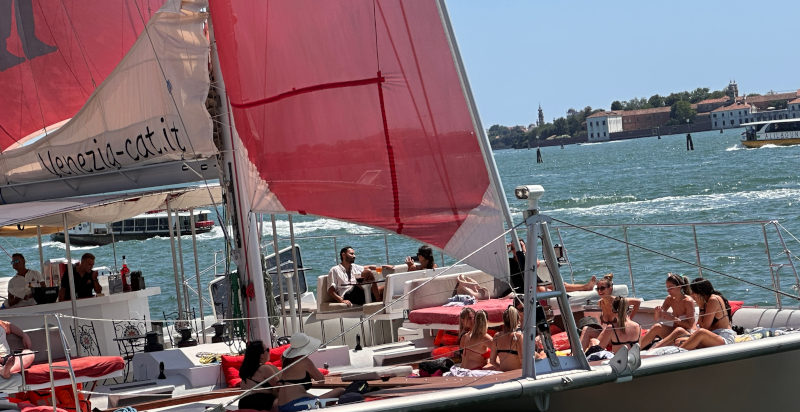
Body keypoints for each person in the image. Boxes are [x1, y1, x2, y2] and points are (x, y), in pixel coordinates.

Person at [653, 278, 734, 350]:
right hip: (711, 336)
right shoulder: (705, 301)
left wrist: (700, 306)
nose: (691, 295)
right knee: (679, 332)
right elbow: (700, 324)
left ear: (700, 292)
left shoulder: (713, 300)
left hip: (723, 337)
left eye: (693, 292)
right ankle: (652, 351)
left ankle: (677, 354)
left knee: (700, 332)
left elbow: (704, 327)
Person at [276, 333, 344, 412]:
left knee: (316, 398)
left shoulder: (286, 361)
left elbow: (296, 389)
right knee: (340, 390)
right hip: (297, 406)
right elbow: (321, 380)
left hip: (282, 406)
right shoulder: (304, 361)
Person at [507, 240, 597, 294]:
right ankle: (559, 296)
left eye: (520, 246)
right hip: (525, 287)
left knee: (560, 284)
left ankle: (585, 287)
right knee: (542, 289)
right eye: (514, 248)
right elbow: (500, 258)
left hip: (536, 283)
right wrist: (506, 248)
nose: (517, 250)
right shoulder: (510, 262)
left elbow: (536, 264)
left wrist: (525, 251)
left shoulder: (527, 258)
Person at [579, 274, 640, 349]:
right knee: (586, 329)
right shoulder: (600, 303)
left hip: (618, 337)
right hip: (608, 335)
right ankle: (578, 354)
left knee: (593, 342)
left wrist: (630, 318)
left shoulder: (618, 302)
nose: (599, 291)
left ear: (610, 288)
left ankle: (591, 351)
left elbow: (637, 302)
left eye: (602, 288)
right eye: (597, 289)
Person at [639, 273, 696, 349]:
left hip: (687, 333)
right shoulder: (669, 299)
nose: (668, 290)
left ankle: (651, 351)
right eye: (667, 287)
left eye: (670, 287)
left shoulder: (688, 301)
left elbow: (690, 325)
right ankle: (637, 350)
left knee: (678, 330)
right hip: (674, 331)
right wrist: (657, 312)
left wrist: (673, 319)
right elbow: (656, 319)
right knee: (657, 326)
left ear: (679, 286)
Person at [238, 340, 279, 411]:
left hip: (243, 403)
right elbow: (280, 388)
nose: (269, 352)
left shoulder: (246, 371)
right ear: (261, 355)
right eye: (267, 350)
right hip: (261, 402)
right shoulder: (264, 368)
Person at [489, 306, 522, 371]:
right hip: (516, 374)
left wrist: (501, 368)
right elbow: (523, 361)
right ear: (517, 320)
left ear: (503, 321)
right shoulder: (518, 336)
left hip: (503, 374)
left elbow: (492, 361)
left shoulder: (497, 336)